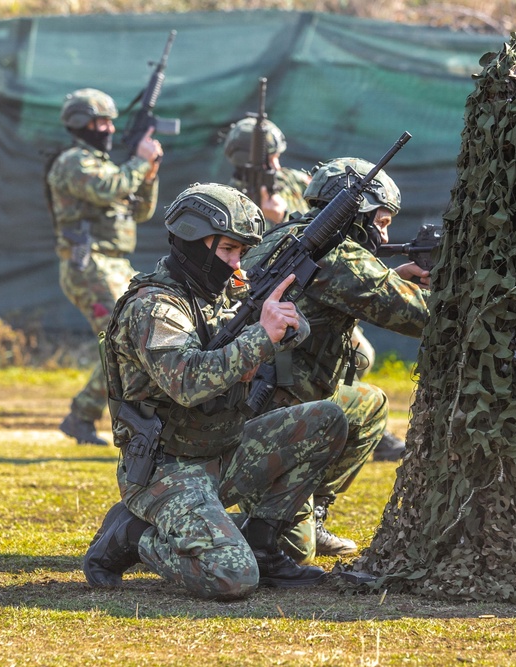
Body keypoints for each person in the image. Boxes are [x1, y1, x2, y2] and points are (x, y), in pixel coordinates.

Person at [83, 183, 349, 599]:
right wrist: (263, 336)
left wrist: (289, 324)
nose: (235, 263)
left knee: (326, 421)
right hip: (167, 469)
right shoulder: (154, 307)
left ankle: (261, 542)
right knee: (232, 577)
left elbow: (293, 334)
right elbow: (188, 383)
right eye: (227, 250)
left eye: (241, 252)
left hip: (225, 450)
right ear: (192, 239)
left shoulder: (225, 293)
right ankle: (134, 535)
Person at [240, 157, 430, 561]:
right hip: (272, 418)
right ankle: (266, 521)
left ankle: (312, 511)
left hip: (266, 406)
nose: (384, 233)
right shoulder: (336, 255)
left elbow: (355, 287)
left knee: (369, 403)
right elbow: (422, 317)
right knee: (292, 553)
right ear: (353, 212)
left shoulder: (285, 237)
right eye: (380, 221)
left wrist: (395, 279)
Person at [225, 115, 403, 462]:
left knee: (353, 355)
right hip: (278, 332)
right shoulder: (236, 200)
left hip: (298, 321)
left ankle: (338, 423)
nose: (275, 164)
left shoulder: (291, 183)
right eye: (266, 159)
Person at [45, 87, 164, 445]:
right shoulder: (73, 162)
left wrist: (149, 174)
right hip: (89, 264)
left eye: (111, 122)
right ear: (81, 124)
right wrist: (139, 162)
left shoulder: (110, 166)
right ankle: (84, 416)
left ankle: (93, 416)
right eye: (100, 122)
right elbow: (105, 189)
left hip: (115, 263)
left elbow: (140, 211)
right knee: (122, 341)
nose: (109, 130)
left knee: (137, 338)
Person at [223, 116, 311, 227]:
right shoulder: (230, 208)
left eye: (277, 157)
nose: (277, 167)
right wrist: (281, 218)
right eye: (269, 160)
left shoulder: (292, 179)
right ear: (245, 161)